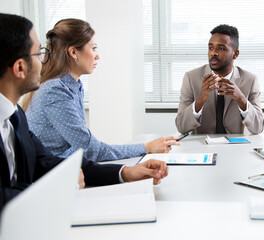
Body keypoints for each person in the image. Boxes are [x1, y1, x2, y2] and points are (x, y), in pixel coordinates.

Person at [0, 13, 168, 213]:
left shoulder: (15, 116)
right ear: (20, 67)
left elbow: (51, 161)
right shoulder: (54, 89)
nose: (45, 59)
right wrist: (60, 188)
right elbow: (89, 150)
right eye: (39, 53)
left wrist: (126, 172)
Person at [22, 19, 179, 162]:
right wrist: (146, 147)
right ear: (73, 52)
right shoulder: (55, 90)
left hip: (67, 167)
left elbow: (83, 148)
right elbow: (92, 150)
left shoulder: (73, 85)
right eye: (93, 48)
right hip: (50, 174)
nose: (97, 56)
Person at [175, 24, 264, 134]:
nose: (213, 53)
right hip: (202, 146)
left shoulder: (250, 80)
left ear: (235, 54)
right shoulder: (191, 78)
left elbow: (258, 128)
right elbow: (181, 127)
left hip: (236, 147)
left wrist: (241, 99)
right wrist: (201, 100)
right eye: (211, 48)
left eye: (221, 48)